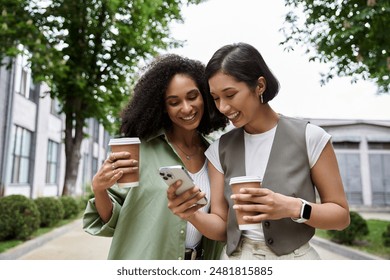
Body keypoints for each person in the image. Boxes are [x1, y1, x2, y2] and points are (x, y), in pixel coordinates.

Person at [167, 42, 350, 260]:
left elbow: (340, 217)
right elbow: (221, 227)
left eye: (230, 94)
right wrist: (191, 214)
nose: (223, 107)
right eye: (216, 98)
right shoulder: (219, 150)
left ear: (260, 86)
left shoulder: (310, 137)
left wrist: (294, 207)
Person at [83, 54, 228, 260]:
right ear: (162, 107)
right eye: (174, 102)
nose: (186, 108)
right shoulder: (139, 151)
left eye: (192, 96)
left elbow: (222, 224)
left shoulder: (215, 154)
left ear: (205, 95)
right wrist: (99, 189)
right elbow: (112, 220)